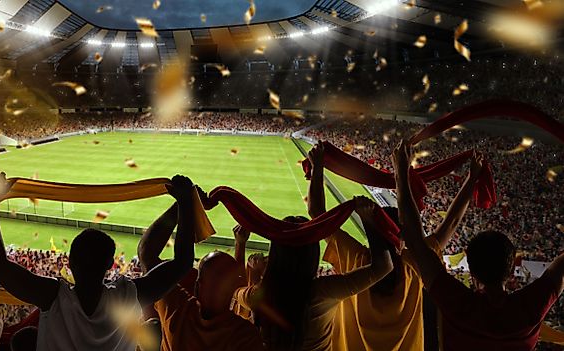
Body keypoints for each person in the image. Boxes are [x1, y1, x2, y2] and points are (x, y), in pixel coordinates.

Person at [0, 172, 197, 350]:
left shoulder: (52, 297)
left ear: (70, 262)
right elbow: (183, 262)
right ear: (110, 264)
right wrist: (186, 202)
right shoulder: (128, 296)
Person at [307, 142, 484, 351]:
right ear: (401, 240)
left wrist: (317, 167)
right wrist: (472, 178)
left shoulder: (355, 259)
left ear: (369, 234)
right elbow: (451, 224)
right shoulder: (414, 264)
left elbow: (317, 213)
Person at [393, 139, 564, 350]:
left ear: (471, 273)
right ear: (511, 270)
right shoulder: (529, 309)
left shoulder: (458, 304)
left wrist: (401, 171)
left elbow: (416, 240)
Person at [233, 198, 393, 351]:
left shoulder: (259, 294)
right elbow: (383, 266)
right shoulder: (324, 291)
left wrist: (241, 246)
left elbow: (235, 289)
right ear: (312, 254)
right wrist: (368, 220)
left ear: (275, 255)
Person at [136, 192, 265, 351]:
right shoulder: (245, 335)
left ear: (197, 286)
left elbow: (146, 253)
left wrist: (184, 203)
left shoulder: (178, 311)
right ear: (234, 292)